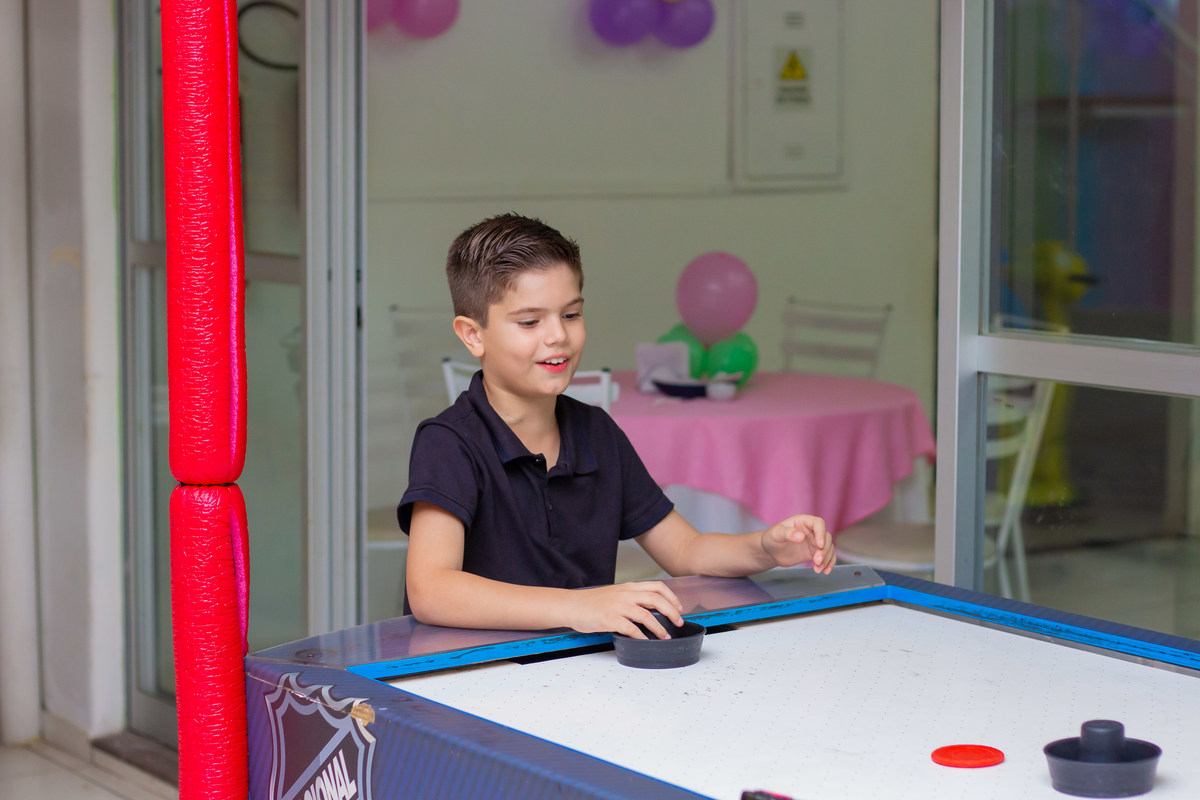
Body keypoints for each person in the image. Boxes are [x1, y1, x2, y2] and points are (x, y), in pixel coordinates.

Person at [398, 213, 835, 641]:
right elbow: (431, 590)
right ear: (473, 335)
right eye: (530, 322)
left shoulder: (596, 432)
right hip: (476, 678)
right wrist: (577, 606)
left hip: (584, 675)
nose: (558, 337)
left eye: (570, 315)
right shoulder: (449, 443)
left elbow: (685, 551)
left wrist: (766, 548)